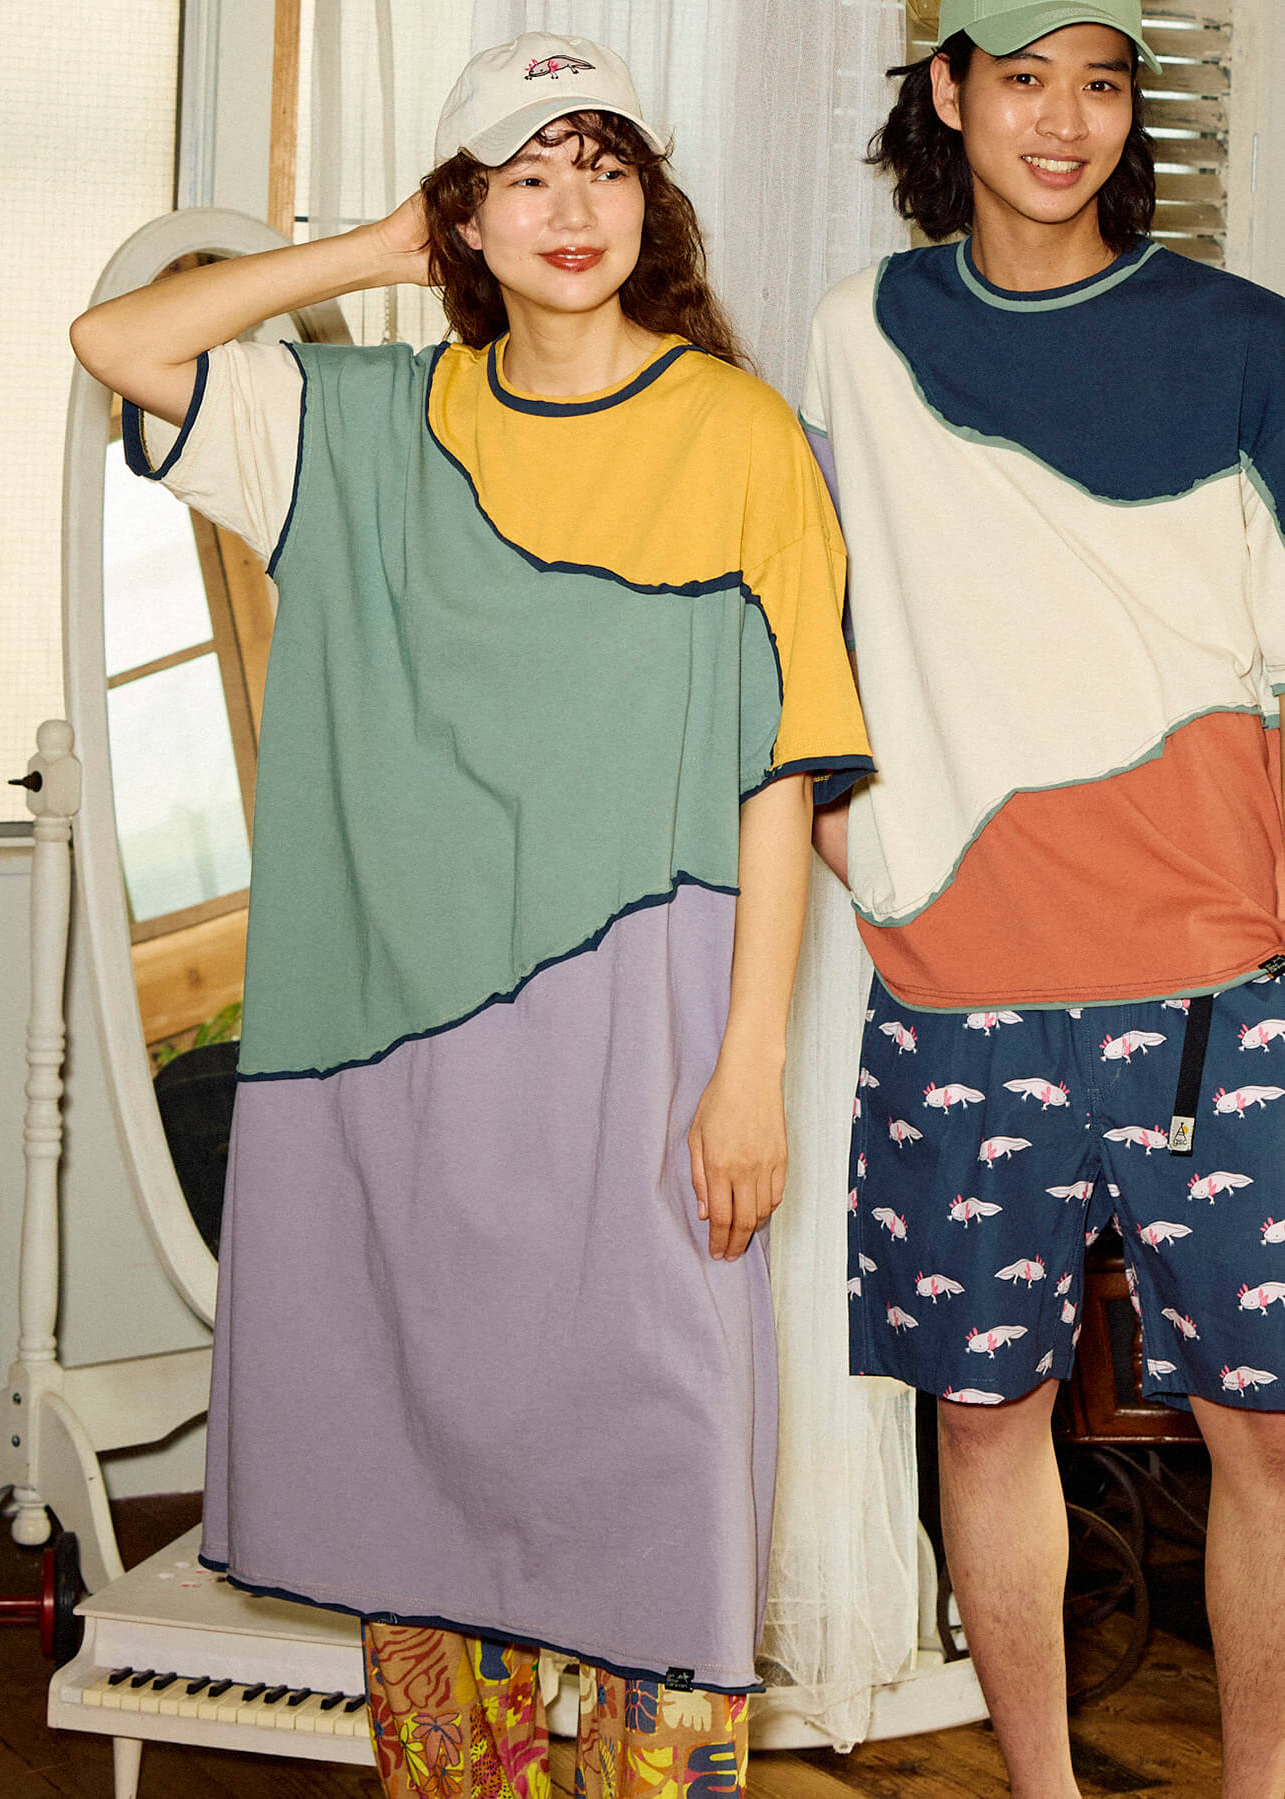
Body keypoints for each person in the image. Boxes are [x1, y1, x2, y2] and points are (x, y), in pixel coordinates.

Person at [71, 33, 871, 1799]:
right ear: (465, 214)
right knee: (424, 1517)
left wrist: (749, 1072)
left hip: (651, 1072)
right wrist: (378, 251)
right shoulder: (355, 428)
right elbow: (122, 342)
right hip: (402, 1089)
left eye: (604, 164)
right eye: (523, 174)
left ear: (651, 200)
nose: (572, 206)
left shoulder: (744, 437)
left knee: (666, 1518)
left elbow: (784, 768)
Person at [804, 1, 1285, 1792]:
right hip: (960, 984)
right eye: (1023, 79)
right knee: (983, 1416)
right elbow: (804, 613)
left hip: (1219, 983)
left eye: (1100, 82)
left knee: (1267, 1437)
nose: (1065, 121)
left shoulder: (1248, 341)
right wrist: (851, 825)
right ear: (950, 92)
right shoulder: (862, 334)